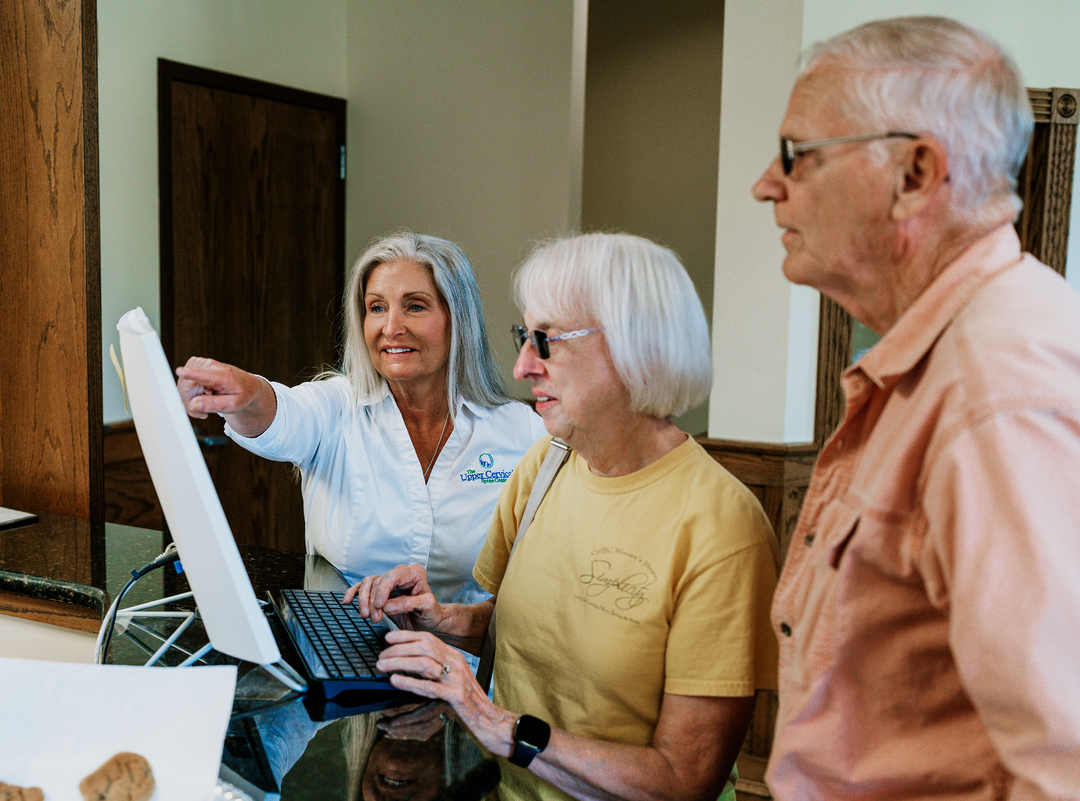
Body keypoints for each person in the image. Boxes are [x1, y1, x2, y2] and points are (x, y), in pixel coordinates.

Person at [752, 16, 1080, 801]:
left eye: (798, 154)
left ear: (914, 174)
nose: (767, 182)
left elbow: (1061, 763)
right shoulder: (938, 361)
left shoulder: (997, 389)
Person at [346, 232, 780, 801]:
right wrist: (439, 618)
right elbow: (515, 626)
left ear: (636, 348)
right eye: (523, 337)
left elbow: (683, 780)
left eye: (546, 340)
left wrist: (491, 720)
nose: (524, 365)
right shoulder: (545, 467)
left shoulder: (722, 528)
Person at [177, 231, 546, 604]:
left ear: (459, 319)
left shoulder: (522, 431)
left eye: (415, 306)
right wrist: (245, 392)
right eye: (377, 307)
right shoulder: (336, 407)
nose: (390, 327)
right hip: (342, 653)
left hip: (463, 659)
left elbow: (542, 583)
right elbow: (283, 415)